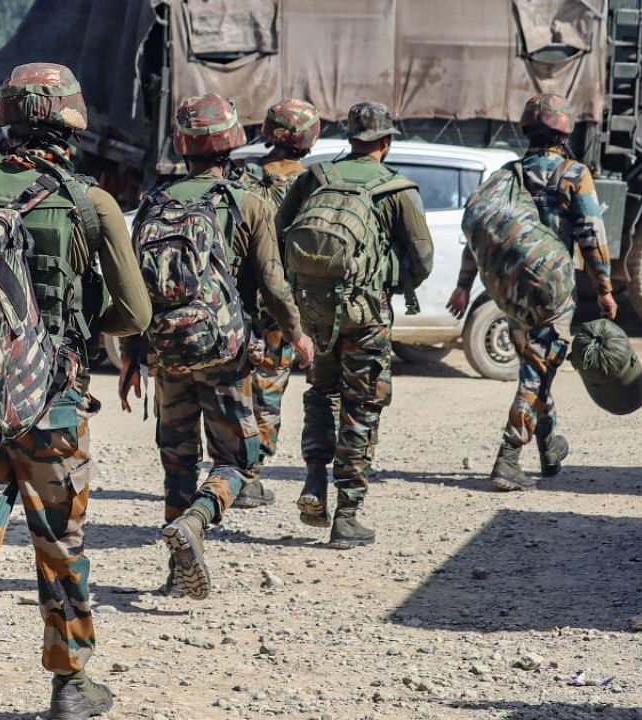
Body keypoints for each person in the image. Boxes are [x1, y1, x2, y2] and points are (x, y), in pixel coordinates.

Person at [0, 62, 151, 720]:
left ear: (7, 122)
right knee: (59, 542)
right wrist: (74, 326)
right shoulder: (89, 202)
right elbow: (135, 314)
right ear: (70, 123)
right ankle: (71, 686)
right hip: (54, 403)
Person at [122, 93, 314, 599]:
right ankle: (198, 523)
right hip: (226, 352)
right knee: (236, 460)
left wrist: (130, 355)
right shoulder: (246, 201)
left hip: (166, 351)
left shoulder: (154, 203)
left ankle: (174, 571)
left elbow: (132, 288)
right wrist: (297, 335)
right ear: (232, 141)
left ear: (183, 145)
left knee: (177, 459)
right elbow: (273, 283)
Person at [276, 101, 433, 548]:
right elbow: (421, 258)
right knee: (362, 405)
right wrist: (393, 282)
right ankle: (347, 515)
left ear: (351, 138)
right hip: (367, 316)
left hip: (317, 312)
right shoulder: (396, 188)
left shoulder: (316, 177)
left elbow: (281, 229)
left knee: (320, 392)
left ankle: (313, 481)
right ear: (385, 142)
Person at [447, 93, 617, 491]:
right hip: (552, 287)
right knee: (538, 370)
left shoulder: (507, 175)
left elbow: (481, 232)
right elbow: (592, 234)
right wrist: (605, 288)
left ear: (527, 131)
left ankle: (550, 448)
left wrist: (463, 285)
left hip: (509, 288)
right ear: (564, 131)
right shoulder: (574, 174)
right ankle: (507, 458)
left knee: (536, 364)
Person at [231, 98, 321, 509]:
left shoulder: (241, 179)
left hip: (235, 303)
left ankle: (229, 466)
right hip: (282, 306)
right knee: (269, 388)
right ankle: (250, 474)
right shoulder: (312, 185)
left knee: (237, 385)